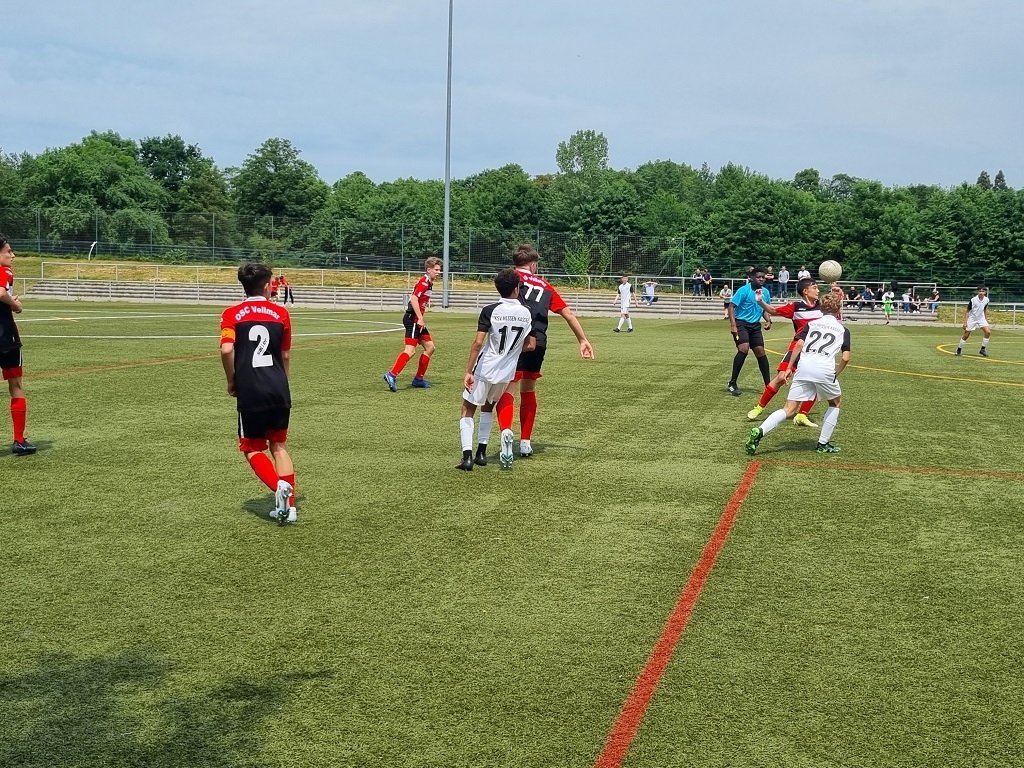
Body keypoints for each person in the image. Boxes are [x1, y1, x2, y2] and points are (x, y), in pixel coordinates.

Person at [494, 243, 594, 458]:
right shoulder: (545, 286)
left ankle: (506, 432)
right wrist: (583, 340)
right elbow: (568, 314)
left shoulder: (509, 278)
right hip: (538, 340)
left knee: (508, 388)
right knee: (528, 388)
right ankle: (525, 442)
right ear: (533, 265)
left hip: (514, 338)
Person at [219, 263, 297, 524]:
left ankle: (278, 487)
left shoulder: (232, 314)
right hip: (278, 388)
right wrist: (282, 382)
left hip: (251, 389)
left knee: (252, 448)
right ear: (266, 287)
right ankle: (290, 508)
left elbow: (226, 349)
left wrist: (232, 380)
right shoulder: (281, 313)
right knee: (279, 446)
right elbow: (285, 355)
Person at [745, 291, 851, 456]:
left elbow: (799, 345)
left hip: (803, 367)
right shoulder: (843, 330)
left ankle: (760, 430)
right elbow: (845, 357)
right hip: (824, 370)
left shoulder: (811, 324)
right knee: (835, 403)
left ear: (821, 308)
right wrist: (836, 373)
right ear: (838, 310)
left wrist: (789, 367)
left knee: (788, 409)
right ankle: (823, 443)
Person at [457, 269, 535, 471]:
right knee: (488, 407)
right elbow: (531, 345)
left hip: (485, 367)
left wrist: (468, 371)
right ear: (516, 289)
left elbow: (477, 343)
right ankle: (481, 453)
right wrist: (511, 351)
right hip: (506, 372)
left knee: (467, 409)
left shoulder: (490, 310)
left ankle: (467, 457)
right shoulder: (527, 312)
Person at [746, 276, 823, 427]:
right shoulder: (795, 307)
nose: (818, 290)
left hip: (815, 350)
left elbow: (835, 308)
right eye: (815, 287)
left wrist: (836, 290)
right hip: (797, 347)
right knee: (781, 377)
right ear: (805, 291)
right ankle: (759, 408)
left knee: (815, 380)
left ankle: (802, 415)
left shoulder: (823, 306)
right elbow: (773, 310)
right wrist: (760, 301)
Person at [384, 256, 442, 391]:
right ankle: (392, 374)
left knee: (430, 347)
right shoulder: (424, 282)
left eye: (439, 270)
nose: (439, 272)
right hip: (413, 320)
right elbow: (414, 298)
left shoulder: (428, 283)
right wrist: (420, 318)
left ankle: (418, 379)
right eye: (436, 270)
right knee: (410, 351)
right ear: (428, 270)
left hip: (417, 320)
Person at [0, 234, 34, 455]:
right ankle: (19, 441)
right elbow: (1, 292)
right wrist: (16, 305)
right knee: (16, 385)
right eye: (8, 251)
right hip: (6, 338)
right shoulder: (5, 271)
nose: (13, 255)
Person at [726, 268, 773, 397]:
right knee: (744, 349)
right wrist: (733, 325)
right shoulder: (743, 290)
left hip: (755, 326)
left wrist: (768, 320)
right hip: (741, 323)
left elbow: (765, 309)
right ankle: (732, 383)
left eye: (763, 277)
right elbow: (731, 306)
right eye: (758, 277)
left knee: (760, 352)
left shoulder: (765, 292)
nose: (761, 279)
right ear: (751, 278)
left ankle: (768, 385)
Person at [955, 286, 991, 357]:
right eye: (980, 291)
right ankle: (959, 350)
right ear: (977, 292)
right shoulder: (973, 300)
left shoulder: (986, 300)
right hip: (972, 318)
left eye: (983, 291)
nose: (981, 293)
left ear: (985, 292)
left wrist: (986, 319)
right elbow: (967, 311)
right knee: (966, 335)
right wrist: (965, 322)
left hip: (981, 318)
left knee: (988, 332)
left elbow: (984, 309)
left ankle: (982, 349)